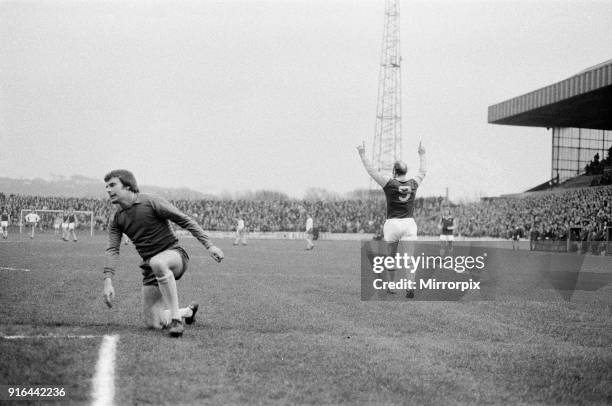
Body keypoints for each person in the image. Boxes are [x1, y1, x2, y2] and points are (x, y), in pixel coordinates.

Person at [101, 169, 225, 337]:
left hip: (175, 255)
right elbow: (113, 249)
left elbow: (185, 220)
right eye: (106, 186)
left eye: (112, 185)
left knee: (158, 262)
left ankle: (176, 321)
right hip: (151, 268)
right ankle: (188, 312)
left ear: (129, 187)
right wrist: (108, 281)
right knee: (154, 323)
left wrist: (209, 246)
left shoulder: (151, 202)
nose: (108, 189)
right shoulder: (117, 220)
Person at [357, 141, 426, 298]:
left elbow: (372, 171)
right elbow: (423, 171)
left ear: (395, 171)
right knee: (410, 258)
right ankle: (410, 285)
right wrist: (422, 154)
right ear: (406, 171)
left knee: (391, 257)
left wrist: (362, 154)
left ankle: (392, 285)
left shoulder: (389, 183)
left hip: (393, 223)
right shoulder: (414, 183)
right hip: (409, 223)